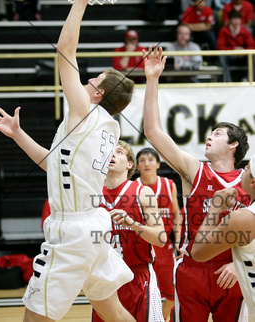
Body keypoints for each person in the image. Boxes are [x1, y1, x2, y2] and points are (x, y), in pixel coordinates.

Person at [0, 0, 137, 322]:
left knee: (34, 315)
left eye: (93, 78)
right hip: (94, 224)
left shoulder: (84, 111)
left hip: (73, 228)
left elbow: (64, 50)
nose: (85, 80)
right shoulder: (106, 126)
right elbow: (54, 163)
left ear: (98, 93)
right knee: (111, 310)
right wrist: (19, 134)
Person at [142, 45, 250, 322]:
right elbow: (153, 132)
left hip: (232, 269)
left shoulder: (249, 179)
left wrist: (244, 267)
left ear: (234, 144)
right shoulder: (194, 170)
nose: (209, 137)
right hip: (192, 269)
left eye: (217, 133)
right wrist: (152, 80)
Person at [92, 141, 166, 322]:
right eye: (109, 152)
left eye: (118, 152)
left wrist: (132, 223)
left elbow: (161, 238)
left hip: (138, 277)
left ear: (130, 164)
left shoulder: (143, 192)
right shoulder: (93, 194)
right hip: (105, 277)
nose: (112, 155)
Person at [191, 155, 255, 320]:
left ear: (253, 182)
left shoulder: (242, 218)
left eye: (246, 169)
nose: (242, 172)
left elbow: (198, 252)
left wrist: (216, 207)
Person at [136, 147, 181, 321]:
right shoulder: (134, 187)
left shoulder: (169, 185)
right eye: (142, 160)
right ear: (137, 166)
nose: (147, 163)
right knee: (143, 292)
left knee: (171, 294)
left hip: (165, 246)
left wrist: (178, 240)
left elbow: (177, 214)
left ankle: (163, 316)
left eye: (150, 159)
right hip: (143, 246)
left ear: (158, 164)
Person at [217, 9, 255, 82]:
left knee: (253, 55)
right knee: (221, 56)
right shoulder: (223, 31)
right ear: (230, 20)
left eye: (238, 18)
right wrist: (233, 50)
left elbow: (252, 46)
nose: (236, 21)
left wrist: (243, 51)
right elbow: (219, 47)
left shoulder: (245, 31)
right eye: (234, 18)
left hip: (242, 56)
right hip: (230, 56)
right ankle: (227, 81)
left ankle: (250, 80)